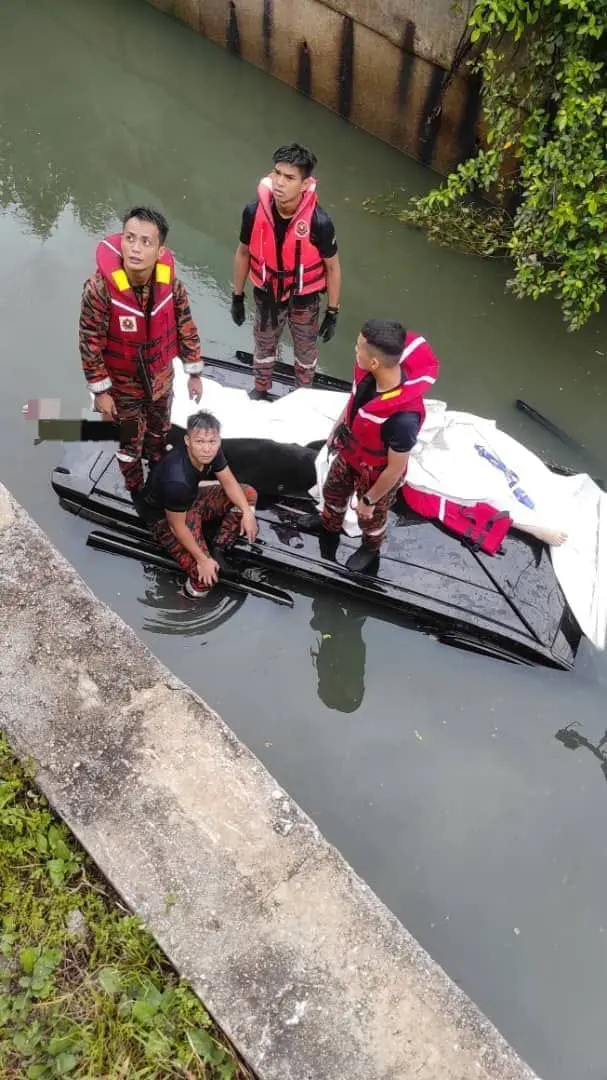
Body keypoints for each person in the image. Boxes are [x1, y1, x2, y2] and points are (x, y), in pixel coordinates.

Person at [79, 206, 204, 498]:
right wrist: (101, 392)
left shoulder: (171, 285)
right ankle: (135, 488)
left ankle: (159, 470)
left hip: (161, 379)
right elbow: (89, 342)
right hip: (124, 387)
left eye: (145, 242)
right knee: (130, 443)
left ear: (160, 251)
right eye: (129, 238)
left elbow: (186, 326)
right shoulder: (99, 289)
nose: (135, 249)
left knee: (159, 432)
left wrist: (194, 373)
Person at [304, 318, 439, 573]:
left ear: (375, 361)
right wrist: (336, 429)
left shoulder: (404, 418)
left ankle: (370, 546)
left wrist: (369, 499)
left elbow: (395, 469)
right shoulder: (369, 375)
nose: (355, 350)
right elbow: (355, 402)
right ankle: (329, 523)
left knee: (371, 518)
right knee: (333, 491)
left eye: (358, 347)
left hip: (376, 474)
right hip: (350, 453)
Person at [231, 143, 342, 400]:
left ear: (305, 184)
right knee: (263, 343)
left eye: (289, 177)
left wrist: (333, 311)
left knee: (305, 351)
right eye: (276, 173)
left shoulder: (319, 221)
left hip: (304, 298)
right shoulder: (253, 211)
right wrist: (237, 295)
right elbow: (243, 252)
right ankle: (260, 388)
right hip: (267, 292)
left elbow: (333, 267)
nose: (279, 182)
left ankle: (302, 394)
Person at [137, 410, 258, 598]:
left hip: (192, 499)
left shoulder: (212, 452)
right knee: (205, 577)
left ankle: (219, 547)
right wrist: (202, 560)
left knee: (248, 494)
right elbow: (176, 526)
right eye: (200, 442)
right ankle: (187, 600)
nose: (207, 448)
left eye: (212, 441)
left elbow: (228, 481)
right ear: (187, 441)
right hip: (165, 517)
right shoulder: (177, 479)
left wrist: (247, 512)